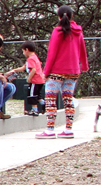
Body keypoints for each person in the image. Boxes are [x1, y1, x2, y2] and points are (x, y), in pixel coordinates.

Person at [37, 7, 89, 139]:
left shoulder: (58, 31)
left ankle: (49, 130)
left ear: (59, 16)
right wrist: (84, 66)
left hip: (57, 71)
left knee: (50, 100)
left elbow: (52, 53)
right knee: (68, 100)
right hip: (73, 71)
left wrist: (46, 71)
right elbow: (83, 50)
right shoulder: (78, 31)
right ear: (71, 16)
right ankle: (68, 129)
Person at [8, 42, 45, 116]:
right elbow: (24, 67)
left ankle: (35, 110)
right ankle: (44, 105)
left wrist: (29, 78)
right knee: (38, 95)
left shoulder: (30, 59)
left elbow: (33, 70)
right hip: (41, 80)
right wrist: (14, 70)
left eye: (23, 51)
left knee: (32, 95)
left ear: (27, 50)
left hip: (35, 80)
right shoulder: (34, 57)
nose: (23, 53)